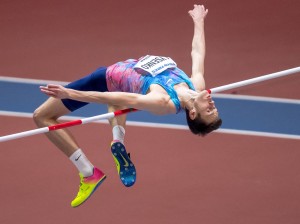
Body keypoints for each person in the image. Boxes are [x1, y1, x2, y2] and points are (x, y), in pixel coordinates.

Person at [34, 4, 222, 208]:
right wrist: (199, 21)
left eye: (209, 110)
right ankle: (117, 142)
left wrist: (70, 93)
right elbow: (197, 52)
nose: (212, 103)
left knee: (41, 116)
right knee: (119, 99)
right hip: (121, 83)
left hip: (104, 79)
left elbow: (116, 98)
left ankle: (88, 173)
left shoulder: (163, 101)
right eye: (215, 108)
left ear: (193, 113)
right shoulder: (196, 85)